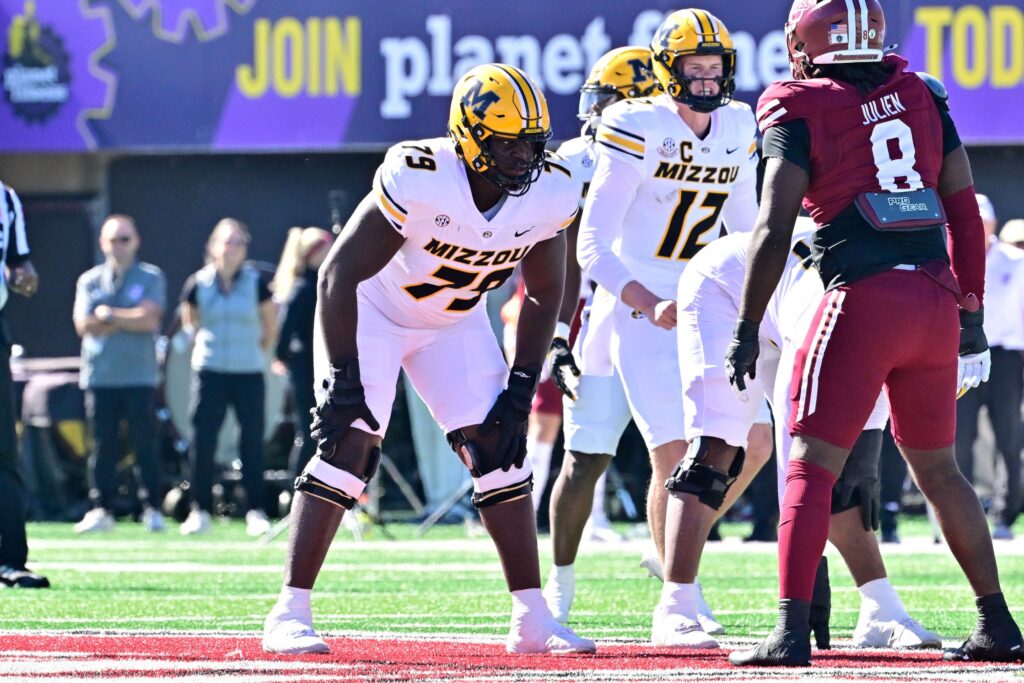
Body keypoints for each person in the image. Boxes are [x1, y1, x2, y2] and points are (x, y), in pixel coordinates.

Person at [726, 0, 1023, 666]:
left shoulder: (795, 102)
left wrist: (747, 324)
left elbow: (774, 227)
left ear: (805, 41)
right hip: (933, 298)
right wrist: (969, 312)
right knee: (941, 471)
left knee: (809, 464)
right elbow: (964, 218)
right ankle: (996, 620)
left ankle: (792, 630)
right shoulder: (920, 91)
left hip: (861, 298)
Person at [261, 64, 594, 656]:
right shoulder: (422, 176)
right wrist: (342, 380)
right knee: (350, 441)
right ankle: (289, 610)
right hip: (374, 310)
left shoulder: (551, 189)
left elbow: (545, 292)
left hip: (453, 322)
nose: (522, 157)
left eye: (531, 143)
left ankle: (532, 618)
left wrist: (521, 389)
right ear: (468, 136)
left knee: (501, 449)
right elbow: (337, 275)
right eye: (506, 142)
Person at [567, 9, 767, 646]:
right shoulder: (635, 123)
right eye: (693, 68)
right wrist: (646, 299)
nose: (706, 80)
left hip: (708, 298)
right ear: (666, 71)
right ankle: (680, 600)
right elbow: (593, 245)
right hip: (643, 303)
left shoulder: (739, 124)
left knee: (755, 442)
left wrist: (753, 300)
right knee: (675, 453)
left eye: (715, 68)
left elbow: (744, 227)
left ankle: (674, 552)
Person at [679, 223, 940, 649]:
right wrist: (808, 577)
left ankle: (880, 609)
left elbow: (861, 445)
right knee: (716, 448)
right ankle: (677, 602)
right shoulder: (837, 313)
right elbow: (795, 451)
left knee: (853, 480)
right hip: (725, 288)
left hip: (802, 303)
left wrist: (863, 467)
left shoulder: (902, 307)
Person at [179, 218, 277, 537]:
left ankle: (255, 510)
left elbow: (269, 327)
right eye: (226, 241)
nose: (231, 248)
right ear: (213, 246)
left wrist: (253, 351)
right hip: (209, 371)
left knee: (251, 441)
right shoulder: (198, 282)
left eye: (237, 243)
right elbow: (190, 321)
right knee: (203, 441)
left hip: (248, 371)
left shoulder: (256, 283)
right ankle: (200, 510)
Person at [72, 215, 167, 533]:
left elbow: (150, 319)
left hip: (139, 375)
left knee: (144, 444)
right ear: (103, 242)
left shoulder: (151, 276)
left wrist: (109, 315)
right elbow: (83, 325)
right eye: (113, 239)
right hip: (100, 376)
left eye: (125, 239)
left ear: (136, 240)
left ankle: (152, 507)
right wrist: (128, 318)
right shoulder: (89, 280)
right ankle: (101, 509)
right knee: (103, 447)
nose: (119, 246)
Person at [954, 195, 1024, 541]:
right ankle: (961, 514)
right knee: (959, 436)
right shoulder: (952, 258)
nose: (976, 228)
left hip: (1006, 358)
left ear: (993, 224)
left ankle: (1004, 515)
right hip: (963, 356)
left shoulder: (1016, 260)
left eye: (981, 222)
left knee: (1009, 437)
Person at [0, 182, 48, 588]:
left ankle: (11, 559)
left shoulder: (7, 198)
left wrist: (24, 276)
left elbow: (20, 264)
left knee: (3, 450)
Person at [272, 226, 333, 478]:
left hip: (312, 366)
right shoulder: (304, 288)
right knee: (309, 432)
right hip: (305, 369)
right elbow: (284, 332)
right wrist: (282, 356)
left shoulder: (318, 284)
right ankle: (299, 490)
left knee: (316, 432)